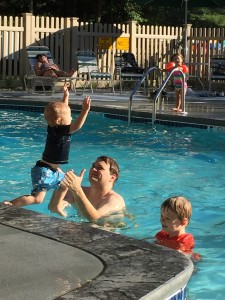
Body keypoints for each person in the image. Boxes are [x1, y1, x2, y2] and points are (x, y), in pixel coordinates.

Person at [4, 82, 91, 210]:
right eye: (70, 116)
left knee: (65, 184)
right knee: (37, 199)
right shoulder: (60, 130)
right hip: (45, 170)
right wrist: (85, 111)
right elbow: (77, 126)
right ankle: (10, 204)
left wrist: (66, 96)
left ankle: (56, 206)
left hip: (51, 169)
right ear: (59, 121)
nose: (72, 118)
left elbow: (63, 109)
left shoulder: (55, 127)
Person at [48, 156, 126, 221]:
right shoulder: (79, 191)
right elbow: (53, 209)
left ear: (112, 177)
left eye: (100, 168)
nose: (93, 169)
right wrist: (62, 187)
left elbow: (96, 219)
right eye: (93, 166)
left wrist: (77, 190)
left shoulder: (115, 200)